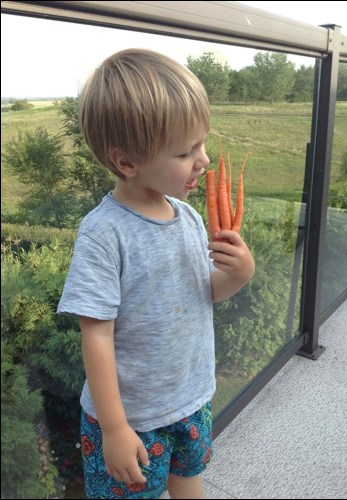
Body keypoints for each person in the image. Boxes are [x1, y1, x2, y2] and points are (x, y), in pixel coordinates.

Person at [57, 48, 255, 499]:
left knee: (188, 480)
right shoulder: (104, 234)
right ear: (127, 163)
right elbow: (96, 335)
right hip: (130, 419)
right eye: (186, 152)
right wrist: (114, 428)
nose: (203, 160)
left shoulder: (187, 217)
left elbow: (206, 292)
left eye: (202, 143)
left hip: (191, 398)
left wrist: (238, 275)